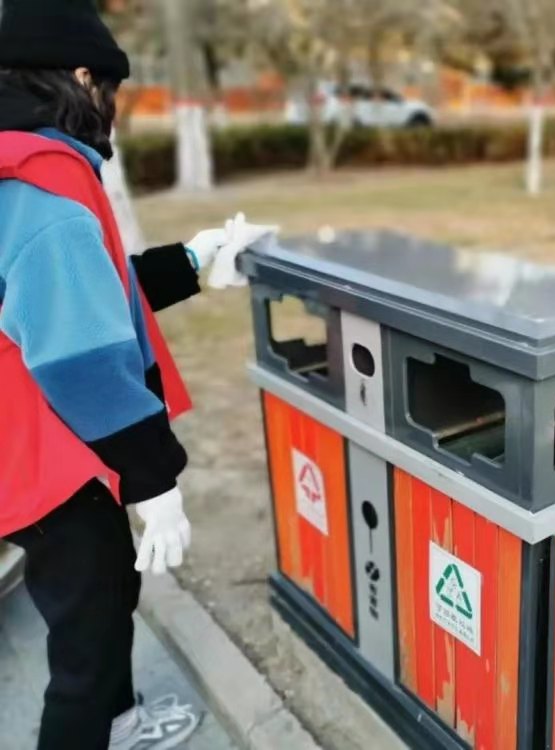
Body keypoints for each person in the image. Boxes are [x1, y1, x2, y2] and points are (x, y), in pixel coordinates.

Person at [0, 1, 265, 748]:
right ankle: (98, 723)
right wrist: (155, 480)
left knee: (107, 591)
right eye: (109, 88)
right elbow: (77, 354)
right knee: (86, 642)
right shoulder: (43, 189)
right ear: (83, 77)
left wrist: (194, 259)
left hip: (30, 448)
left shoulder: (15, 170)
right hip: (50, 459)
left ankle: (120, 721)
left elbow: (91, 292)